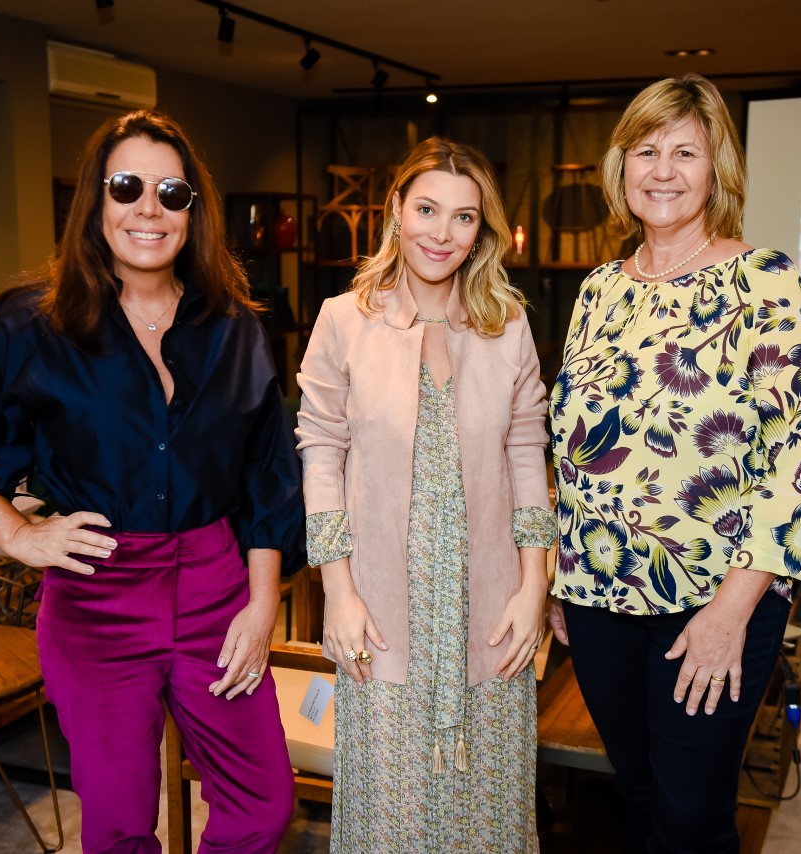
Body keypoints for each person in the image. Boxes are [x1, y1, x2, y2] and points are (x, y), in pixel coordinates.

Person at [0, 110, 304, 854]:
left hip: (217, 585)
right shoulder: (37, 325)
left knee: (263, 807)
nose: (149, 208)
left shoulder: (235, 327)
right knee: (117, 826)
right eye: (127, 186)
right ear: (96, 200)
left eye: (171, 192)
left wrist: (263, 600)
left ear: (193, 211)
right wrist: (15, 532)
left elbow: (268, 471)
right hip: (98, 594)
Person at [547, 73, 801, 854]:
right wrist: (563, 576)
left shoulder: (765, 282)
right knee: (635, 794)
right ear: (621, 166)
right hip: (599, 594)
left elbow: (795, 463)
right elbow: (575, 446)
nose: (663, 170)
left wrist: (732, 613)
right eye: (646, 150)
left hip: (710, 603)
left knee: (691, 818)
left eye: (685, 151)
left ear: (717, 172)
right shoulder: (601, 289)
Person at [296, 137, 556, 852]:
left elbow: (528, 454)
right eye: (428, 210)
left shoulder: (509, 326)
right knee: (392, 816)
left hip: (491, 607)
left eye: (465, 217)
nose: (442, 234)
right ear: (396, 212)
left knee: (490, 812)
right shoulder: (343, 320)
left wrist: (534, 586)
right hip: (380, 606)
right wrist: (337, 592)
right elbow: (321, 457)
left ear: (484, 231)